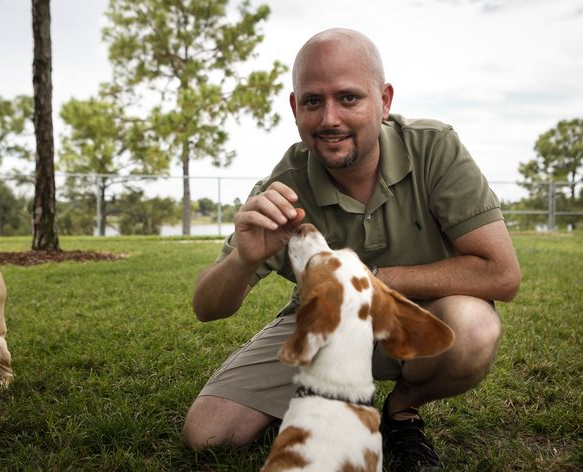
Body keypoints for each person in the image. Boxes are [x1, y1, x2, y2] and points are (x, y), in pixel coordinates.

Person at [182, 28, 521, 471]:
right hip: (321, 322)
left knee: (474, 329)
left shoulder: (434, 147)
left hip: (419, 317)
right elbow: (207, 307)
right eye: (312, 101)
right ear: (294, 107)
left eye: (348, 98)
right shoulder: (285, 185)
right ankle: (322, 402)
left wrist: (369, 281)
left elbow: (501, 274)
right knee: (208, 434)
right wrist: (244, 259)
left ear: (384, 100)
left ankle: (401, 411)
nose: (329, 119)